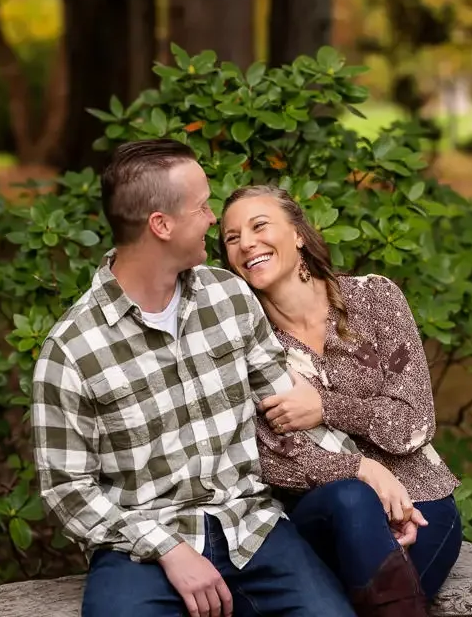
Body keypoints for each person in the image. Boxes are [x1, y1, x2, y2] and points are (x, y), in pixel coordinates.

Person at [31, 140, 358, 617]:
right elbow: (67, 489)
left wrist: (366, 475)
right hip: (140, 549)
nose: (212, 218)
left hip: (254, 530)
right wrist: (167, 548)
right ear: (160, 225)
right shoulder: (73, 350)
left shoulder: (229, 296)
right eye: (202, 206)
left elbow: (286, 407)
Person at [219, 184, 464, 617]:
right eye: (232, 237)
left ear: (297, 233)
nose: (247, 243)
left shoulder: (374, 299)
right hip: (326, 513)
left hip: (420, 502)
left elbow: (414, 424)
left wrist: (325, 407)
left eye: (260, 226)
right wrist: (360, 469)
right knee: (352, 498)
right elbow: (269, 459)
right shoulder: (246, 344)